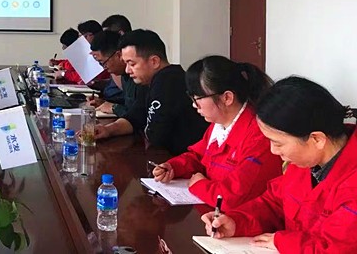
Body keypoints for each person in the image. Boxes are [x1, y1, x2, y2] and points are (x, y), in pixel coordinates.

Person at [201, 76, 357, 252]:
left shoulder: (351, 183)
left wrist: (282, 242)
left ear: (316, 139)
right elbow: (274, 203)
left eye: (278, 143)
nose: (273, 151)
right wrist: (236, 222)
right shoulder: (305, 161)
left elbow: (335, 249)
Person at [151, 55, 282, 211]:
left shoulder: (259, 136)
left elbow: (233, 197)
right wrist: (174, 167)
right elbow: (198, 156)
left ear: (227, 97)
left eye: (198, 98)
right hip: (214, 212)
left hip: (242, 218)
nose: (194, 105)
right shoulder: (218, 124)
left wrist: (200, 185)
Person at [94, 29, 207, 155]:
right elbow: (134, 117)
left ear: (154, 61)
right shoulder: (149, 82)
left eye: (132, 64)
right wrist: (108, 130)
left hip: (180, 158)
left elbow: (155, 136)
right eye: (126, 64)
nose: (127, 70)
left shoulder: (170, 82)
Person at [90, 30, 146, 117]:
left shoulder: (139, 76)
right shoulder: (124, 75)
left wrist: (114, 108)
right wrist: (104, 103)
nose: (104, 68)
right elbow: (128, 103)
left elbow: (138, 115)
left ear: (119, 55)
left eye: (103, 63)